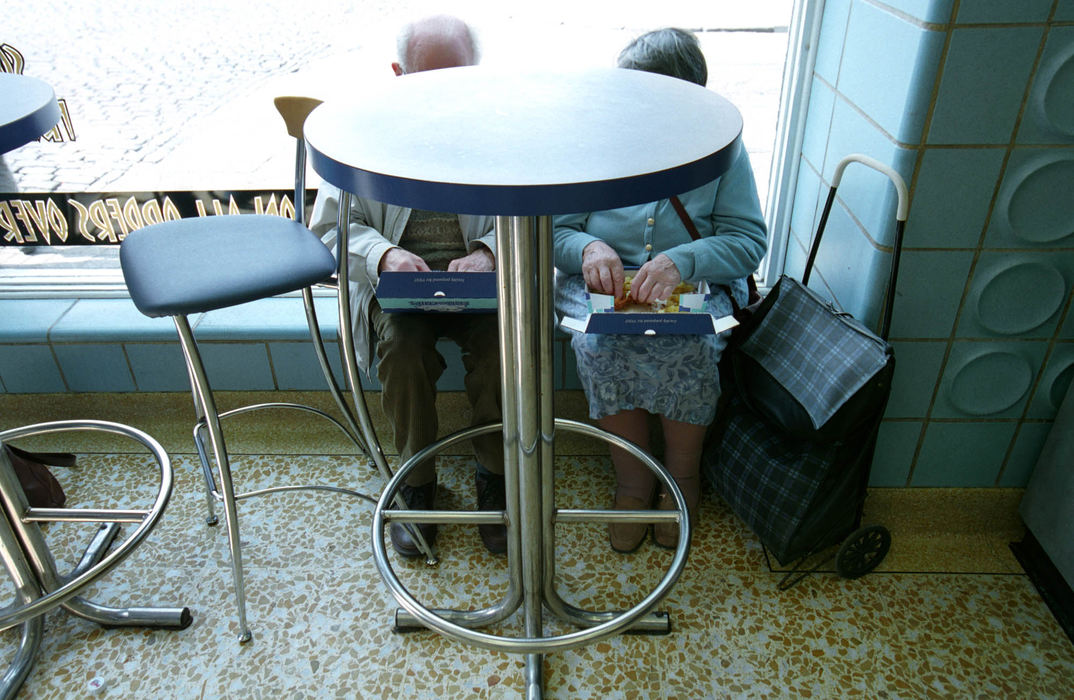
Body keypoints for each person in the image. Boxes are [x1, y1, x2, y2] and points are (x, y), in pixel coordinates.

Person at [553, 28, 768, 552]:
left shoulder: (723, 149)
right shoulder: (593, 140)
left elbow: (748, 241)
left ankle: (682, 478)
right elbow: (556, 231)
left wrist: (683, 260)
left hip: (695, 282)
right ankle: (633, 483)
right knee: (600, 343)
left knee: (690, 343)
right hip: (602, 284)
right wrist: (588, 249)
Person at [309, 15, 506, 557]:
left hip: (480, 283)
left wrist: (489, 252)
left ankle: (494, 474)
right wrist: (384, 252)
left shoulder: (503, 130)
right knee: (403, 349)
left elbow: (534, 220)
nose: (445, 98)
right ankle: (416, 479)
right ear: (398, 74)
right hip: (400, 285)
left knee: (499, 351)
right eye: (428, 81)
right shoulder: (363, 134)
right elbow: (328, 230)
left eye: (459, 80)